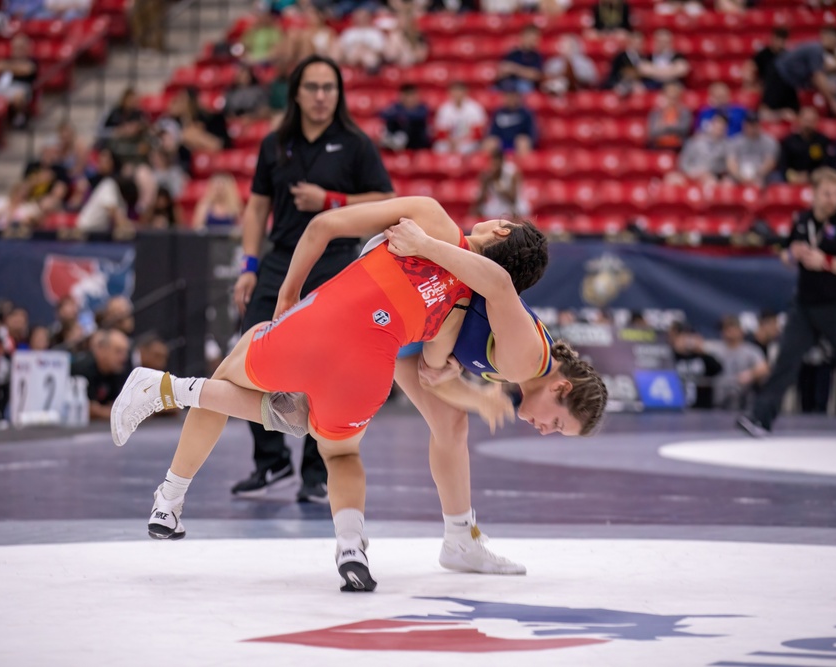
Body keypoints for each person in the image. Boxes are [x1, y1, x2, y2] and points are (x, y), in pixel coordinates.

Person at [110, 196, 604, 589]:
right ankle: (358, 544)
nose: (546, 430)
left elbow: (435, 362)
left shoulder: (467, 289)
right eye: (558, 423)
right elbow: (485, 296)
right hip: (395, 334)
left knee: (442, 423)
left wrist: (469, 393)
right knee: (337, 442)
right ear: (560, 385)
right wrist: (468, 388)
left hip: (396, 328)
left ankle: (170, 490)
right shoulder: (515, 346)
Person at [231, 55, 395, 504]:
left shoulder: (356, 144)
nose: (322, 96)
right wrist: (248, 266)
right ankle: (271, 460)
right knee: (249, 352)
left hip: (336, 262)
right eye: (313, 87)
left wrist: (331, 199)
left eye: (329, 88)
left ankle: (314, 472)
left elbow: (386, 199)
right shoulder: (274, 144)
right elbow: (257, 208)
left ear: (338, 94)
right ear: (297, 93)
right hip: (280, 259)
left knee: (324, 367)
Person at [737, 168, 836, 440]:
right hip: (805, 305)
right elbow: (786, 254)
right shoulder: (802, 221)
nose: (832, 199)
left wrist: (827, 262)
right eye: (826, 193)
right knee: (785, 360)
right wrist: (792, 254)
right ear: (814, 194)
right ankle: (760, 418)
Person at [761, 27, 836, 120]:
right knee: (768, 109)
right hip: (779, 76)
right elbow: (817, 77)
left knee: (794, 113)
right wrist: (832, 102)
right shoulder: (816, 49)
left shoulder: (817, 50)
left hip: (790, 82)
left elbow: (821, 71)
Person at [707, 315, 769, 410]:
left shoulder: (751, 350)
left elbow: (764, 368)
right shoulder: (714, 349)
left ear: (741, 331)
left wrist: (750, 374)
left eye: (733, 328)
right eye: (726, 328)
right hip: (718, 402)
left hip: (744, 402)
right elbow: (698, 346)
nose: (729, 332)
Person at [70, 328, 131, 421]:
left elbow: (121, 405)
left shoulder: (119, 371)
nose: (124, 358)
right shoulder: (82, 369)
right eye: (118, 351)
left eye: (125, 352)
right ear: (102, 350)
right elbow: (86, 409)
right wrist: (114, 413)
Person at [775, 106, 832, 184]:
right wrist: (794, 176)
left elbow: (825, 164)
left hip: (816, 178)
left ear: (817, 122)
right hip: (792, 177)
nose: (808, 125)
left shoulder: (823, 141)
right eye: (806, 120)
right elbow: (783, 164)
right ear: (799, 120)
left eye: (812, 121)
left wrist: (809, 175)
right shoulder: (789, 141)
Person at [671, 112, 729, 184]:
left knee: (712, 183)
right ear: (711, 124)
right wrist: (692, 172)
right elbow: (683, 161)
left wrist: (709, 171)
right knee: (672, 179)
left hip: (710, 176)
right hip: (690, 173)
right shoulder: (695, 140)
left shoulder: (727, 146)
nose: (719, 127)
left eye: (723, 125)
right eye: (717, 123)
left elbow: (725, 166)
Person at [473, 148, 529, 219]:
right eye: (493, 164)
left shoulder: (512, 173)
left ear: (502, 162)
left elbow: (513, 200)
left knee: (513, 213)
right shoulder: (488, 174)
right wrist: (485, 184)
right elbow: (481, 199)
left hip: (514, 206)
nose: (495, 167)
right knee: (477, 211)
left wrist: (499, 185)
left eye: (497, 164)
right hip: (497, 206)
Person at [726, 112, 779, 186]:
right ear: (744, 125)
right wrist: (740, 177)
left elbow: (770, 162)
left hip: (761, 175)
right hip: (739, 175)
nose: (752, 128)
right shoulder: (735, 141)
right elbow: (731, 163)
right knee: (727, 183)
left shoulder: (769, 141)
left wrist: (756, 175)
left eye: (754, 125)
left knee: (768, 182)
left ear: (759, 125)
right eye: (750, 125)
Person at [433, 81, 486, 155]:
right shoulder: (444, 108)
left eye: (459, 91)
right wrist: (451, 141)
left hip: (468, 141)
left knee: (466, 149)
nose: (457, 94)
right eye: (454, 91)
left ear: (465, 92)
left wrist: (461, 141)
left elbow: (478, 132)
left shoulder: (475, 108)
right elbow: (441, 131)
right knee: (439, 147)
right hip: (450, 141)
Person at [485, 83, 537, 157]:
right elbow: (492, 132)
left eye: (513, 96)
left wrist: (523, 139)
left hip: (518, 143)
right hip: (502, 142)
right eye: (508, 95)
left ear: (518, 97)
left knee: (523, 141)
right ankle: (491, 167)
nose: (511, 98)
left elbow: (532, 134)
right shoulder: (498, 112)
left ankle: (520, 166)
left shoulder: (526, 113)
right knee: (490, 142)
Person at [379, 83, 431, 151]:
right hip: (398, 138)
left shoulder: (422, 108)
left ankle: (398, 140)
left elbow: (420, 116)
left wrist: (401, 115)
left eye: (412, 95)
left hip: (417, 143)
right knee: (391, 123)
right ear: (402, 97)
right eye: (407, 95)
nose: (410, 99)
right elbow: (383, 115)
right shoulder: (396, 107)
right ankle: (392, 140)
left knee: (412, 124)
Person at [497, 26, 544, 95]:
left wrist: (514, 69)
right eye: (529, 37)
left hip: (525, 87)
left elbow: (535, 75)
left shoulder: (536, 56)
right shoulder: (512, 54)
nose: (531, 41)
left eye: (534, 39)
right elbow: (501, 71)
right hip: (509, 85)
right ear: (522, 37)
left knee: (524, 85)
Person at [646, 81, 692, 149]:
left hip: (678, 147)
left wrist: (664, 127)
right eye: (669, 97)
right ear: (664, 96)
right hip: (658, 146)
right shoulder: (656, 112)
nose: (672, 100)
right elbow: (652, 133)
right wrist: (672, 127)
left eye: (675, 97)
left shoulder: (685, 112)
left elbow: (684, 130)